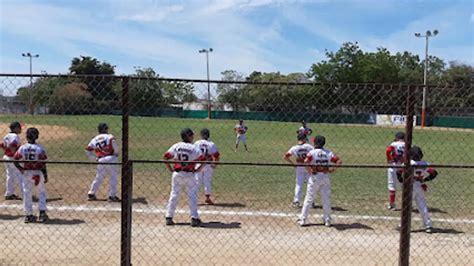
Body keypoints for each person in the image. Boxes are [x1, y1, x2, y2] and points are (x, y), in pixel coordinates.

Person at [163, 128, 205, 227]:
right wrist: (198, 169)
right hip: (189, 174)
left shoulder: (176, 146)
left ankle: (169, 216)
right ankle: (194, 218)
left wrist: (170, 168)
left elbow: (165, 157)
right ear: (189, 136)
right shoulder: (194, 147)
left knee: (174, 195)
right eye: (191, 135)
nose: (193, 137)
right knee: (192, 196)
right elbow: (204, 159)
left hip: (177, 173)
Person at [297, 135, 341, 227]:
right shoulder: (328, 153)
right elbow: (338, 161)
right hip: (325, 177)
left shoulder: (312, 153)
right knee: (326, 199)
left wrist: (309, 170)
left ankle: (303, 219)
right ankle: (327, 220)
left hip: (314, 177)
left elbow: (305, 162)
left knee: (309, 198)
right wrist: (332, 170)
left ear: (315, 143)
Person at [397, 146, 438, 233]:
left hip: (409, 185)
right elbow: (434, 173)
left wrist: (402, 181)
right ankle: (428, 225)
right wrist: (425, 180)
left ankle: (403, 225)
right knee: (422, 205)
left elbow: (399, 172)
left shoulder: (408, 162)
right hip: (420, 185)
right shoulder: (425, 163)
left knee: (407, 206)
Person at [13, 128, 48, 223]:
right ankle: (42, 213)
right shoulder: (40, 148)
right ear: (37, 136)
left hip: (26, 173)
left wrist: (21, 169)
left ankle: (28, 215)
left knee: (27, 193)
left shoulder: (22, 147)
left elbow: (15, 160)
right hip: (37, 172)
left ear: (26, 136)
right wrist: (45, 175)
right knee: (42, 192)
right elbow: (43, 163)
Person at [85, 123, 120, 202]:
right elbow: (115, 146)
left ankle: (91, 193)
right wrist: (116, 153)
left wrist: (94, 159)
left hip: (101, 160)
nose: (107, 130)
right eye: (106, 129)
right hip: (111, 158)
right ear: (104, 129)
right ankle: (112, 196)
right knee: (113, 177)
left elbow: (87, 150)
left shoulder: (94, 139)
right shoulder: (110, 136)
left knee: (99, 177)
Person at [283, 132, 315, 208]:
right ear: (304, 139)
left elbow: (285, 156)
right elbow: (313, 154)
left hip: (299, 167)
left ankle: (296, 201)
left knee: (299, 184)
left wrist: (293, 164)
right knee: (310, 184)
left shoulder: (294, 148)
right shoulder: (309, 146)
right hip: (308, 167)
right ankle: (311, 202)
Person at [194, 128, 220, 205]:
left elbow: (193, 154)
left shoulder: (197, 143)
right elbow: (216, 156)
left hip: (198, 164)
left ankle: (194, 198)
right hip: (208, 165)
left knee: (197, 181)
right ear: (208, 135)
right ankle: (207, 198)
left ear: (201, 135)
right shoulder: (211, 144)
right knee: (207, 181)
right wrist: (215, 164)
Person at [2, 121, 23, 200]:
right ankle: (24, 194)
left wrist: (7, 151)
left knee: (10, 176)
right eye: (19, 127)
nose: (21, 129)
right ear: (16, 128)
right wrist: (15, 155)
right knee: (20, 176)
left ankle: (9, 194)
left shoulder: (7, 135)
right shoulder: (14, 136)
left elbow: (2, 145)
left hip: (6, 157)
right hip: (12, 158)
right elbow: (13, 145)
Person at [385, 132, 405, 210]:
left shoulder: (394, 144)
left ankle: (392, 204)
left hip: (393, 165)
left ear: (396, 138)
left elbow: (388, 151)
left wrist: (389, 159)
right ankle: (406, 203)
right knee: (404, 184)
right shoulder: (408, 144)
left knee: (392, 184)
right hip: (403, 166)